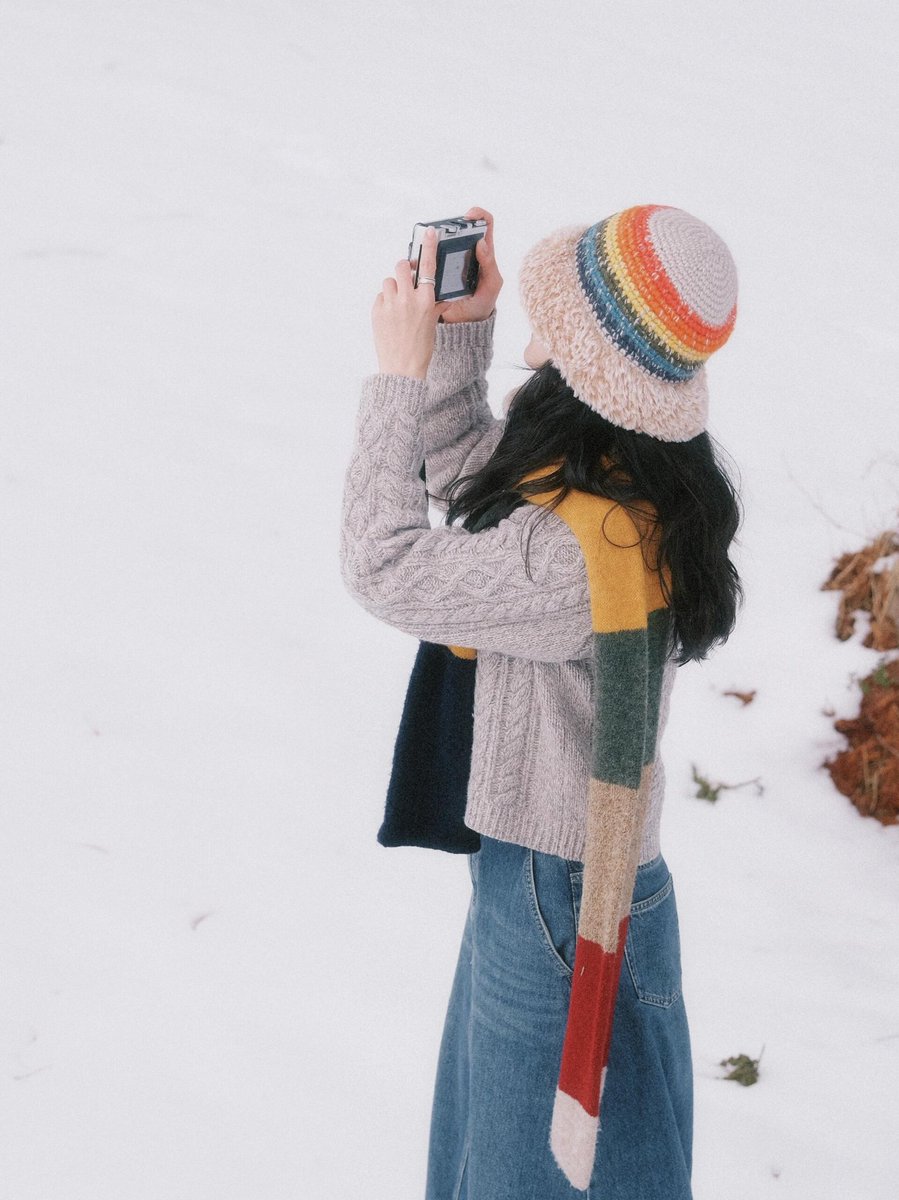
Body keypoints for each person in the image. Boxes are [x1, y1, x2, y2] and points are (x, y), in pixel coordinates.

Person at [340, 203, 742, 1198]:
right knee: (535, 1155)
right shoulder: (618, 488)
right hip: (571, 879)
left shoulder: (567, 553)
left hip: (553, 898)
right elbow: (485, 488)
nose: (539, 317)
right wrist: (461, 336)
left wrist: (395, 379)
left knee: (522, 1174)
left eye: (555, 309)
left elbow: (384, 562)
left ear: (586, 357)